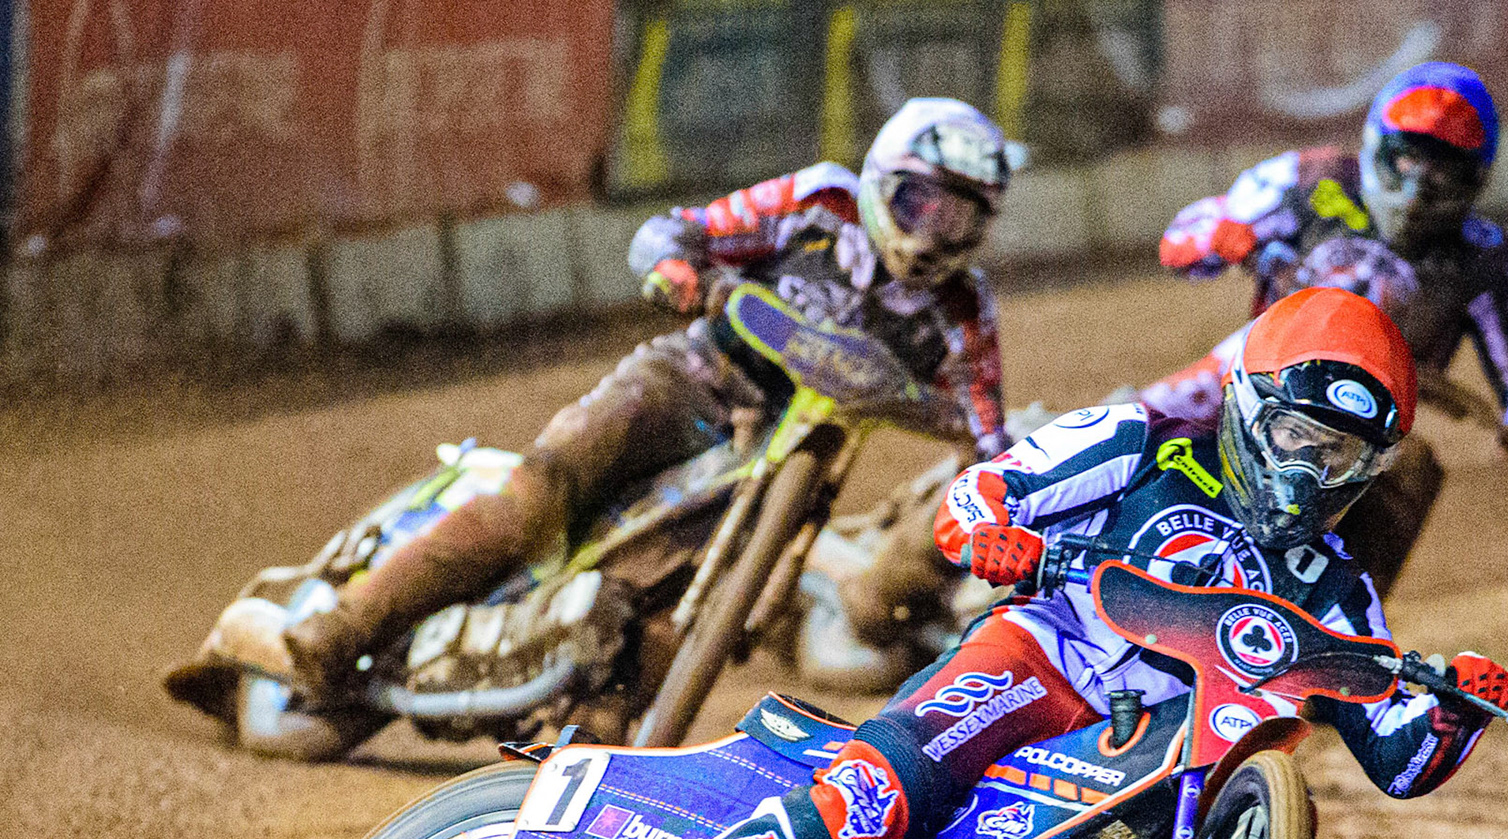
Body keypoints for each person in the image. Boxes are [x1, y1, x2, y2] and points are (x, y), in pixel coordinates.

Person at [502, 287, 1508, 839]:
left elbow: (1399, 752)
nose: (1309, 469)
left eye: (1339, 454)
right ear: (1249, 407)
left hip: (1152, 749)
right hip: (1039, 663)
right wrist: (995, 527)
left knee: (1206, 825)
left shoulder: (1336, 585)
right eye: (1297, 433)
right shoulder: (1141, 446)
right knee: (871, 799)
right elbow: (986, 493)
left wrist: (1453, 711)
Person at [278, 98, 1018, 695]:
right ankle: (344, 628)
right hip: (690, 382)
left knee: (695, 614)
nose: (930, 237)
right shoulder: (822, 201)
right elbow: (675, 230)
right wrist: (681, 271)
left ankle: (600, 745)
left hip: (791, 462)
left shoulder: (962, 311)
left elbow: (985, 438)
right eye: (918, 205)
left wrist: (990, 501)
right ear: (881, 180)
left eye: (958, 219)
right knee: (541, 494)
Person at [1150, 62, 1508, 590]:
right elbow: (1179, 243)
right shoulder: (1307, 179)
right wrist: (1227, 236)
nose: (1416, 193)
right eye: (1406, 164)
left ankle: (1334, 627)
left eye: (1441, 176)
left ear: (1474, 179)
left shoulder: (1488, 261)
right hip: (1254, 375)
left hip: (1360, 434)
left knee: (1410, 469)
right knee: (1131, 424)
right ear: (1376, 147)